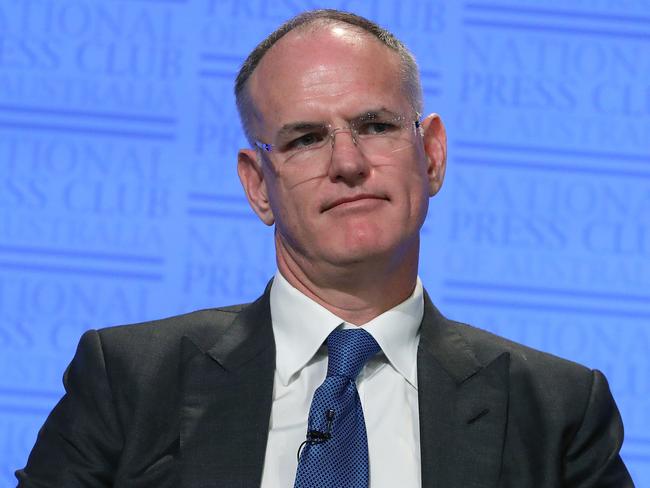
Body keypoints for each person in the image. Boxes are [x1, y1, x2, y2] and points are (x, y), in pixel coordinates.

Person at [17, 9, 634, 488]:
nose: (348, 163)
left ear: (433, 154)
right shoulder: (129, 380)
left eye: (376, 126)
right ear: (258, 186)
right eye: (306, 139)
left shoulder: (557, 411)